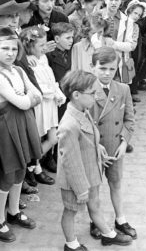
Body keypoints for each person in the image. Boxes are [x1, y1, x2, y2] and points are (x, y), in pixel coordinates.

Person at [57, 70, 132, 251]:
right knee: (70, 210)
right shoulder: (69, 125)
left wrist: (97, 146)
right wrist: (81, 189)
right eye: (92, 92)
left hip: (89, 169)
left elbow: (88, 134)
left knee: (95, 203)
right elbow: (71, 162)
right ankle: (71, 243)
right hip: (75, 179)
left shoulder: (82, 110)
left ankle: (107, 234)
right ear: (76, 95)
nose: (96, 95)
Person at [90, 47, 137, 241]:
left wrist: (124, 143)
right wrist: (95, 144)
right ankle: (95, 221)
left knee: (116, 183)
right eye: (102, 68)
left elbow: (130, 120)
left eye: (111, 69)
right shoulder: (87, 89)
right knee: (94, 187)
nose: (107, 73)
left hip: (115, 147)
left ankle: (120, 219)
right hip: (94, 148)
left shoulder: (123, 89)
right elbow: (82, 122)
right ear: (93, 67)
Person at [0, 27, 42, 242]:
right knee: (7, 174)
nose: (9, 52)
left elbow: (37, 94)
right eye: (4, 48)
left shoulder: (18, 70)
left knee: (20, 171)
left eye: (13, 48)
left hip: (22, 125)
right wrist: (24, 97)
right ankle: (0, 220)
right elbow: (24, 101)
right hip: (5, 129)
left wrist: (26, 97)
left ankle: (14, 212)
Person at [20, 25, 66, 182]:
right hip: (41, 106)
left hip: (50, 104)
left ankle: (31, 164)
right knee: (38, 138)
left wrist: (58, 94)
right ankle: (35, 168)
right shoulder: (28, 62)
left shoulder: (43, 57)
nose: (44, 47)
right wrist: (53, 93)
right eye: (41, 45)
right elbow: (37, 87)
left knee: (53, 138)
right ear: (30, 46)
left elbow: (51, 80)